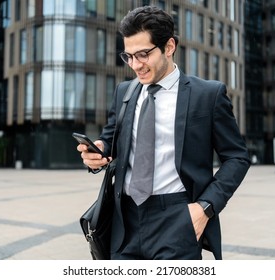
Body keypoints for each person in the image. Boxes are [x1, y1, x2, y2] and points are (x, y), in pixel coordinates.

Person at [77, 6, 250, 260]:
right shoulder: (124, 92)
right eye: (129, 56)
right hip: (123, 222)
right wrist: (98, 152)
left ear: (169, 47)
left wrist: (206, 207)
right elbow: (110, 140)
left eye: (143, 54)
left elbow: (237, 157)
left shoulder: (208, 95)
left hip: (177, 219)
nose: (135, 65)